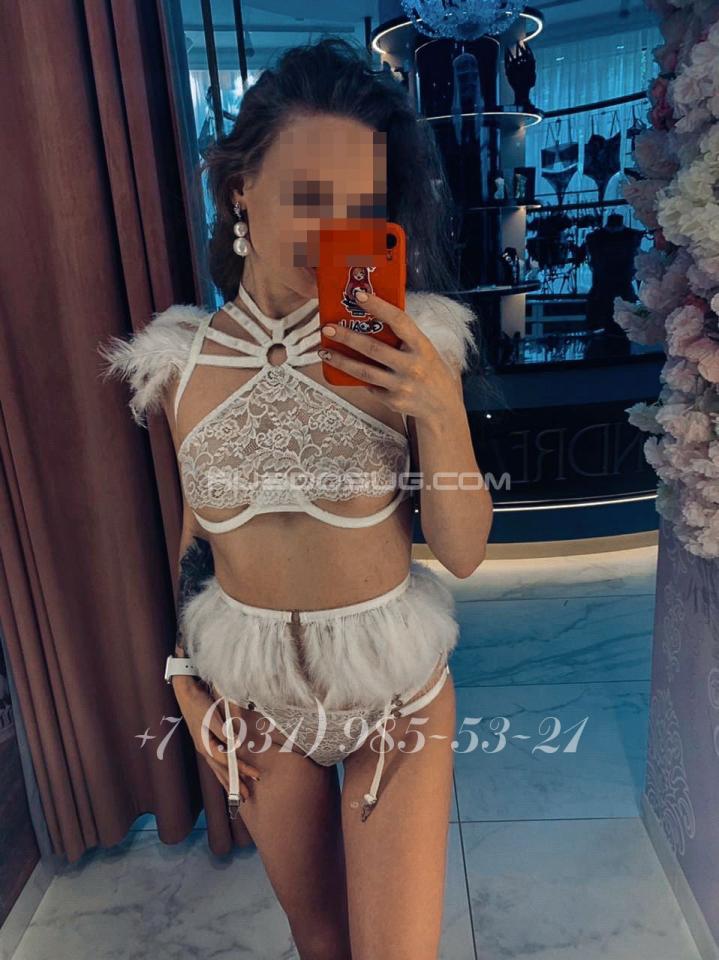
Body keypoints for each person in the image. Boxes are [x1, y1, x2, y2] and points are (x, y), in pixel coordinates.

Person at [97, 37, 493, 960]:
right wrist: (182, 675)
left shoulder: (407, 344)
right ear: (240, 187)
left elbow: (463, 551)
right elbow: (199, 535)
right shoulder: (180, 361)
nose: (331, 230)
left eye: (358, 205)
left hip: (391, 695)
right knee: (318, 942)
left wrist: (439, 407)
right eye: (307, 196)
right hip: (254, 698)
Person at [583, 212, 643, 356]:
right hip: (605, 290)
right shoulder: (594, 238)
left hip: (614, 289)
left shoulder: (631, 236)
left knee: (619, 330)